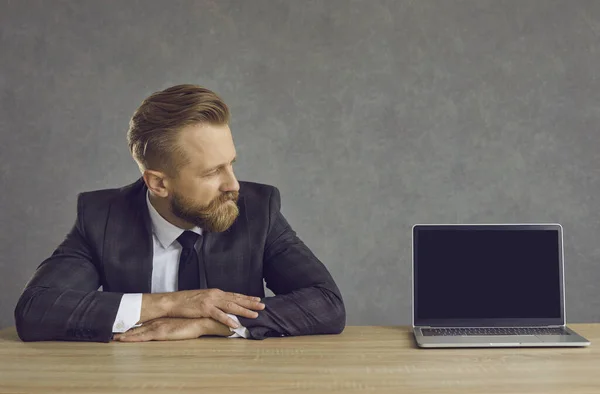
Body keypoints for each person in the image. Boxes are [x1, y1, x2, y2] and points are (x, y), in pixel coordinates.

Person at [14, 84, 345, 342]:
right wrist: (172, 303)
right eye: (211, 172)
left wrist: (208, 323)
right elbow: (36, 310)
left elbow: (326, 304)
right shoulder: (102, 218)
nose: (233, 185)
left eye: (231, 164)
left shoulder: (257, 210)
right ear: (158, 183)